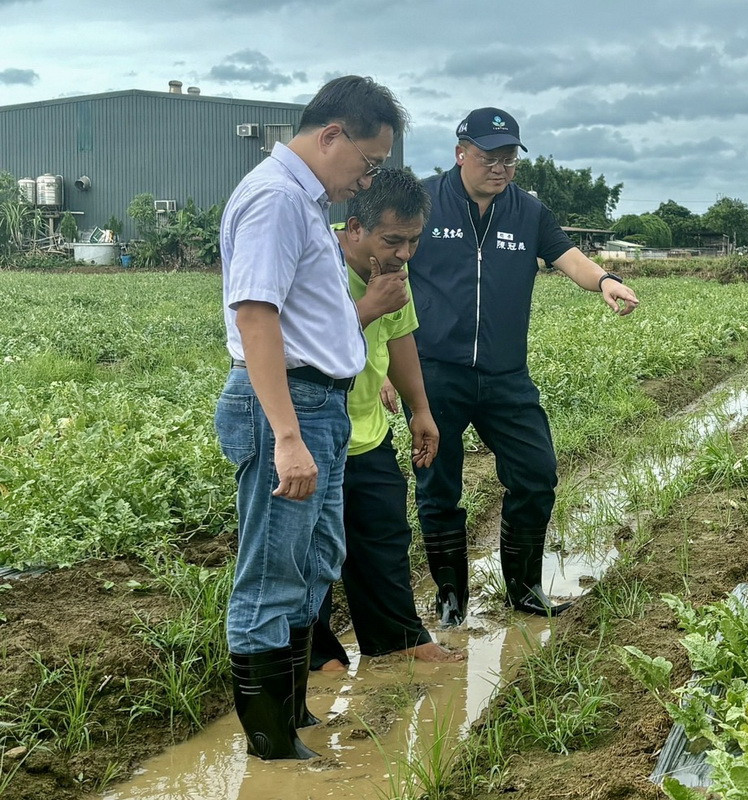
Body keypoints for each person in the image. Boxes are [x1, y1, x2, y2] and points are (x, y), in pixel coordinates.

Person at [214, 75, 407, 760]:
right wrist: (288, 436)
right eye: (370, 161)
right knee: (271, 573)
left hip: (320, 404)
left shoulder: (302, 200)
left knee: (315, 559)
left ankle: (290, 711)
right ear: (332, 135)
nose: (369, 177)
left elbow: (306, 317)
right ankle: (271, 748)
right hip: (288, 409)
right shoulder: (274, 199)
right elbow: (256, 313)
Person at [405, 107, 640, 627]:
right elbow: (382, 262)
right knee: (439, 486)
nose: (501, 168)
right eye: (490, 157)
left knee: (536, 475)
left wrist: (603, 280)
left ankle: (524, 588)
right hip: (434, 371)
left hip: (505, 374)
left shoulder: (527, 211)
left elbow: (567, 255)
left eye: (509, 158)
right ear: (460, 152)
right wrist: (378, 363)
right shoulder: (421, 200)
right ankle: (450, 601)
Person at [309, 167, 462, 671]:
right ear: (353, 228)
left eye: (414, 241)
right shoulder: (317, 261)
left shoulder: (393, 273)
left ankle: (395, 639)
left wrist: (421, 410)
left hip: (366, 428)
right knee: (309, 551)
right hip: (310, 429)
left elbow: (401, 338)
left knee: (383, 532)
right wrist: (369, 307)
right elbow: (299, 345)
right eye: (393, 240)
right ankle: (316, 656)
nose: (404, 253)